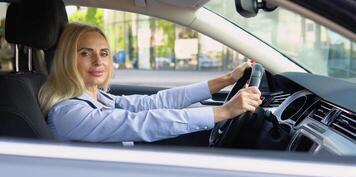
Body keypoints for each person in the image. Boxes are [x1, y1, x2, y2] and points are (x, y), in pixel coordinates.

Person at [38, 22, 262, 143]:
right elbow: (141, 122)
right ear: (67, 58)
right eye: (85, 53)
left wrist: (227, 79)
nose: (98, 61)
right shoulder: (69, 112)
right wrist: (222, 112)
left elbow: (152, 103)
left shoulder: (96, 98)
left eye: (104, 53)